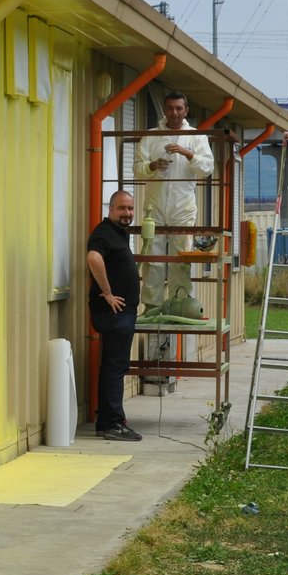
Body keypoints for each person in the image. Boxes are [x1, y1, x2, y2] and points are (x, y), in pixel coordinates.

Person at [135, 94, 215, 306]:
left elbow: (207, 168)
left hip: (183, 207)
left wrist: (187, 153)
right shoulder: (152, 136)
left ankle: (180, 305)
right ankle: (152, 307)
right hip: (155, 206)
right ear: (164, 110)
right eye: (170, 108)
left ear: (186, 110)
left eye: (179, 108)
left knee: (181, 259)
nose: (174, 113)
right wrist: (152, 166)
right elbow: (137, 168)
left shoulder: (196, 137)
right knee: (153, 259)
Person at [87, 190, 142, 441]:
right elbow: (93, 257)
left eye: (130, 209)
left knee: (115, 366)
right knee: (114, 367)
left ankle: (110, 421)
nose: (127, 214)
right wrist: (107, 293)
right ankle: (111, 423)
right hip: (114, 313)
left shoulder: (118, 234)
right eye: (122, 208)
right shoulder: (104, 232)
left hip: (122, 313)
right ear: (110, 209)